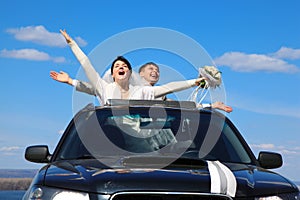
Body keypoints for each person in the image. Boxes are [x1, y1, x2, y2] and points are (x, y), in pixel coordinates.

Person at [54, 29, 205, 106]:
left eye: (125, 66)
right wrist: (72, 44)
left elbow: (168, 87)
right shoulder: (103, 88)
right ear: (113, 73)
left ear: (130, 72)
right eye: (117, 66)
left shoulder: (142, 91)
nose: (121, 67)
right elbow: (86, 65)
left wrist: (194, 82)